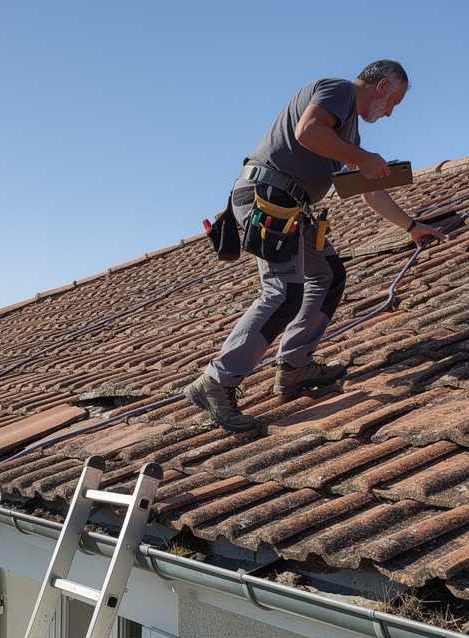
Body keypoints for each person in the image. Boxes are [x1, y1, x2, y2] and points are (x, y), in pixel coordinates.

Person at [186, 59, 445, 432]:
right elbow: (308, 131)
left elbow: (369, 190)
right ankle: (215, 381)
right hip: (269, 197)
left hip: (292, 206)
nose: (390, 113)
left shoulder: (349, 135)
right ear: (383, 85)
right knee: (284, 291)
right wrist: (362, 158)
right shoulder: (338, 90)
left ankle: (294, 366)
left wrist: (411, 227)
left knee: (328, 275)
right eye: (394, 103)